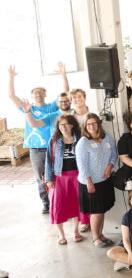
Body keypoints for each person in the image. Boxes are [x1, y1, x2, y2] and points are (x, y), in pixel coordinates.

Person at [8, 63, 70, 213]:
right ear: (32, 96)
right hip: (36, 151)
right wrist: (11, 77)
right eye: (35, 93)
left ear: (45, 95)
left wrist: (63, 74)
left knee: (57, 176)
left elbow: (66, 93)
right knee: (40, 178)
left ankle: (60, 201)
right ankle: (46, 204)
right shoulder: (27, 108)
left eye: (40, 93)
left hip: (53, 148)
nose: (37, 95)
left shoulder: (51, 107)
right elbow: (11, 95)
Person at [44, 114, 88, 244]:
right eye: (60, 124)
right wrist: (49, 179)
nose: (62, 127)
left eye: (65, 124)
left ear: (72, 125)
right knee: (58, 206)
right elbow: (48, 161)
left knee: (76, 205)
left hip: (76, 177)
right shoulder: (54, 141)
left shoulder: (80, 139)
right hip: (59, 177)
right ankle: (61, 235)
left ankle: (75, 231)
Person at [75, 113, 117, 248]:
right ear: (85, 126)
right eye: (89, 124)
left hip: (105, 180)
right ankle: (95, 237)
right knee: (96, 212)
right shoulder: (83, 142)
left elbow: (114, 154)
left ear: (98, 124)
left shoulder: (107, 137)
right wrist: (89, 182)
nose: (92, 126)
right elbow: (82, 165)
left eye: (94, 123)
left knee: (102, 210)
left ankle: (101, 234)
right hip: (91, 183)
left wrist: (109, 167)